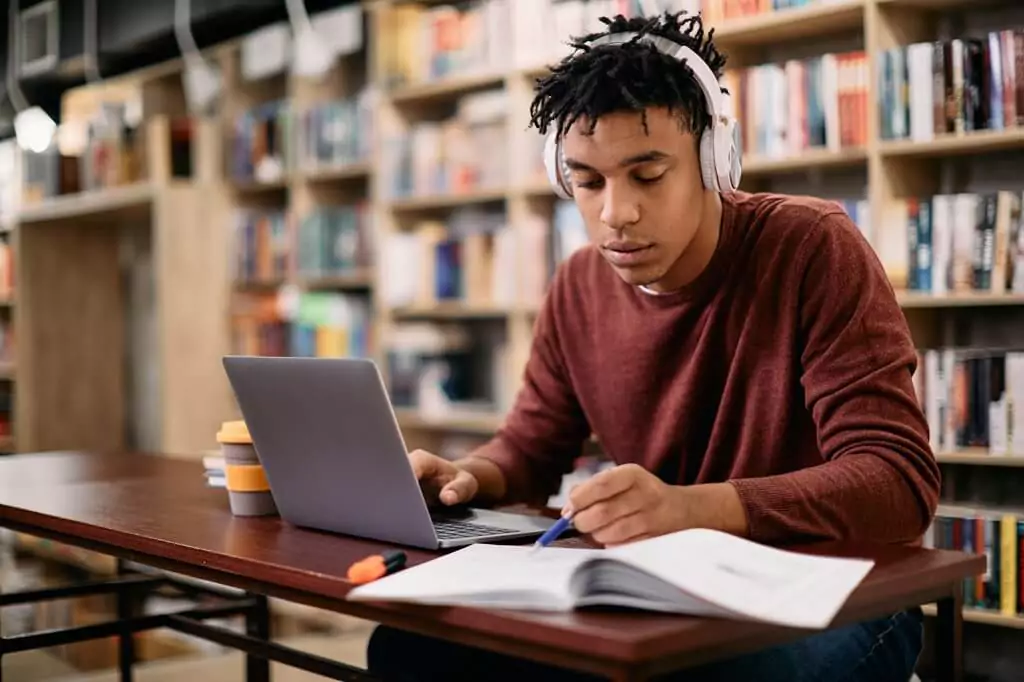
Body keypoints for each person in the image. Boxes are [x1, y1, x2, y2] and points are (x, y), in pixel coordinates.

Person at [367, 10, 940, 682]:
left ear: (712, 161)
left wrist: (693, 508)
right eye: (588, 181)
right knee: (411, 648)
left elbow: (898, 483)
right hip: (663, 592)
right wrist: (469, 477)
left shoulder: (812, 248)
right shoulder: (579, 285)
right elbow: (531, 445)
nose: (615, 213)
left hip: (835, 590)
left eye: (646, 175)